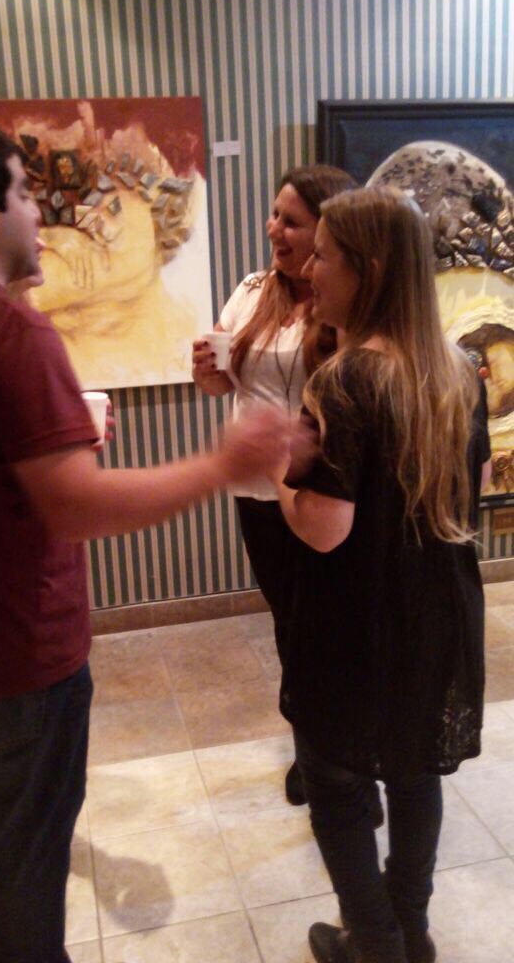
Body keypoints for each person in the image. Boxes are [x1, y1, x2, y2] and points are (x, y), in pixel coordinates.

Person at [0, 115, 292, 963]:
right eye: (25, 195)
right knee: (24, 861)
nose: (42, 217)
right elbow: (74, 508)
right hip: (16, 653)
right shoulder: (7, 331)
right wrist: (221, 463)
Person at [271, 186, 492, 963]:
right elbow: (470, 485)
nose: (310, 271)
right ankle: (410, 928)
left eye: (324, 256)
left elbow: (324, 529)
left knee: (336, 785)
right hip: (438, 610)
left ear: (365, 270)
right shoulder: (458, 371)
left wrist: (280, 475)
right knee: (413, 772)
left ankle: (373, 942)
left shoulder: (344, 382)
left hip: (357, 620)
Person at [192, 164, 376, 810]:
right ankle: (315, 745)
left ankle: (345, 754)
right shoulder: (252, 291)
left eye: (291, 221)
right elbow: (226, 382)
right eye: (275, 215)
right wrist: (208, 375)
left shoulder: (347, 304)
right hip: (257, 491)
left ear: (328, 231)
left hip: (323, 491)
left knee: (331, 626)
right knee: (289, 623)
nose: (274, 229)